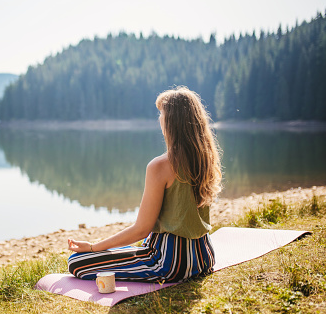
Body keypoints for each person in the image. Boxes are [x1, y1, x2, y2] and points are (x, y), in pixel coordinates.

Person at [67, 86, 222, 283]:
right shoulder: (206, 159)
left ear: (171, 122)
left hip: (170, 262)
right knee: (122, 251)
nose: (159, 119)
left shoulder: (160, 166)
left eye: (162, 114)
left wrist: (92, 247)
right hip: (204, 257)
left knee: (77, 261)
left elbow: (142, 229)